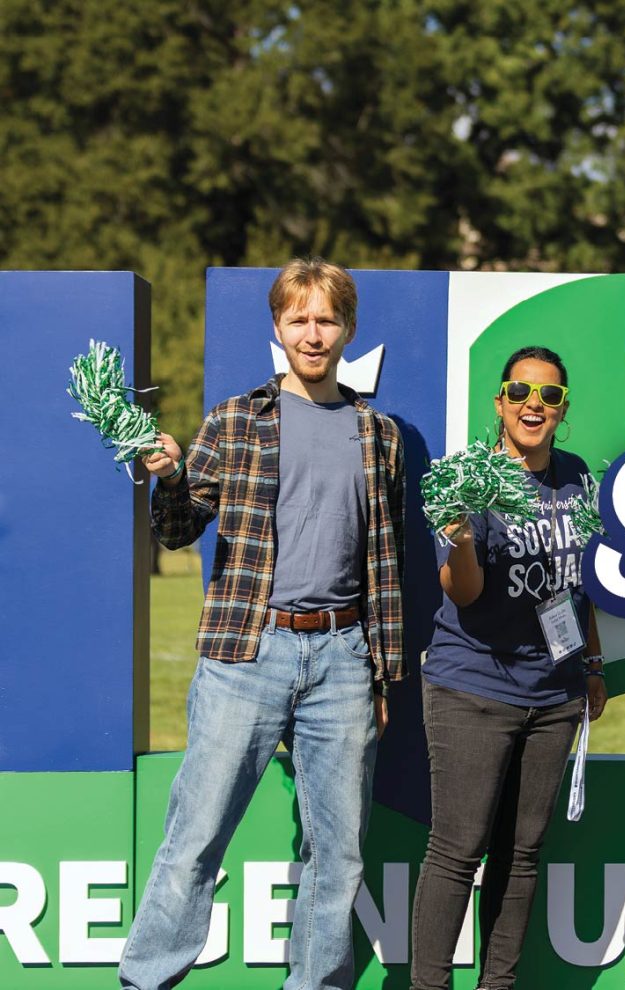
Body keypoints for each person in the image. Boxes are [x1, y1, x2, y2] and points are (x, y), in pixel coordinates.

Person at [121, 258, 404, 990]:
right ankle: (145, 979)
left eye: (326, 320)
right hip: (246, 652)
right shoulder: (236, 419)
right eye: (298, 319)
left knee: (338, 856)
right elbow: (178, 531)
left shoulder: (379, 434)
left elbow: (385, 562)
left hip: (343, 658)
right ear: (278, 327)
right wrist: (171, 477)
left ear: (348, 328)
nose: (313, 334)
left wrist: (380, 672)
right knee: (196, 838)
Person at [409, 345, 608, 989]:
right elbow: (462, 593)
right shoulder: (469, 476)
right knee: (458, 850)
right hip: (473, 688)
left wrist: (592, 665)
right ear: (499, 402)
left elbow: (582, 585)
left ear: (563, 409)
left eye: (549, 395)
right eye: (520, 392)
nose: (533, 405)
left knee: (521, 857)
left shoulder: (577, 478)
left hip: (554, 695)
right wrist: (462, 541)